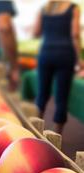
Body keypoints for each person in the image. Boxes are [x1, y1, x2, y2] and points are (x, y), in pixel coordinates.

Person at [34, 1, 80, 134]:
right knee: (62, 97)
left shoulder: (44, 9)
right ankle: (56, 136)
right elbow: (75, 35)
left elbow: (36, 32)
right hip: (65, 54)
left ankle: (35, 130)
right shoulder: (73, 8)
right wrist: (79, 59)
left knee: (42, 94)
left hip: (46, 53)